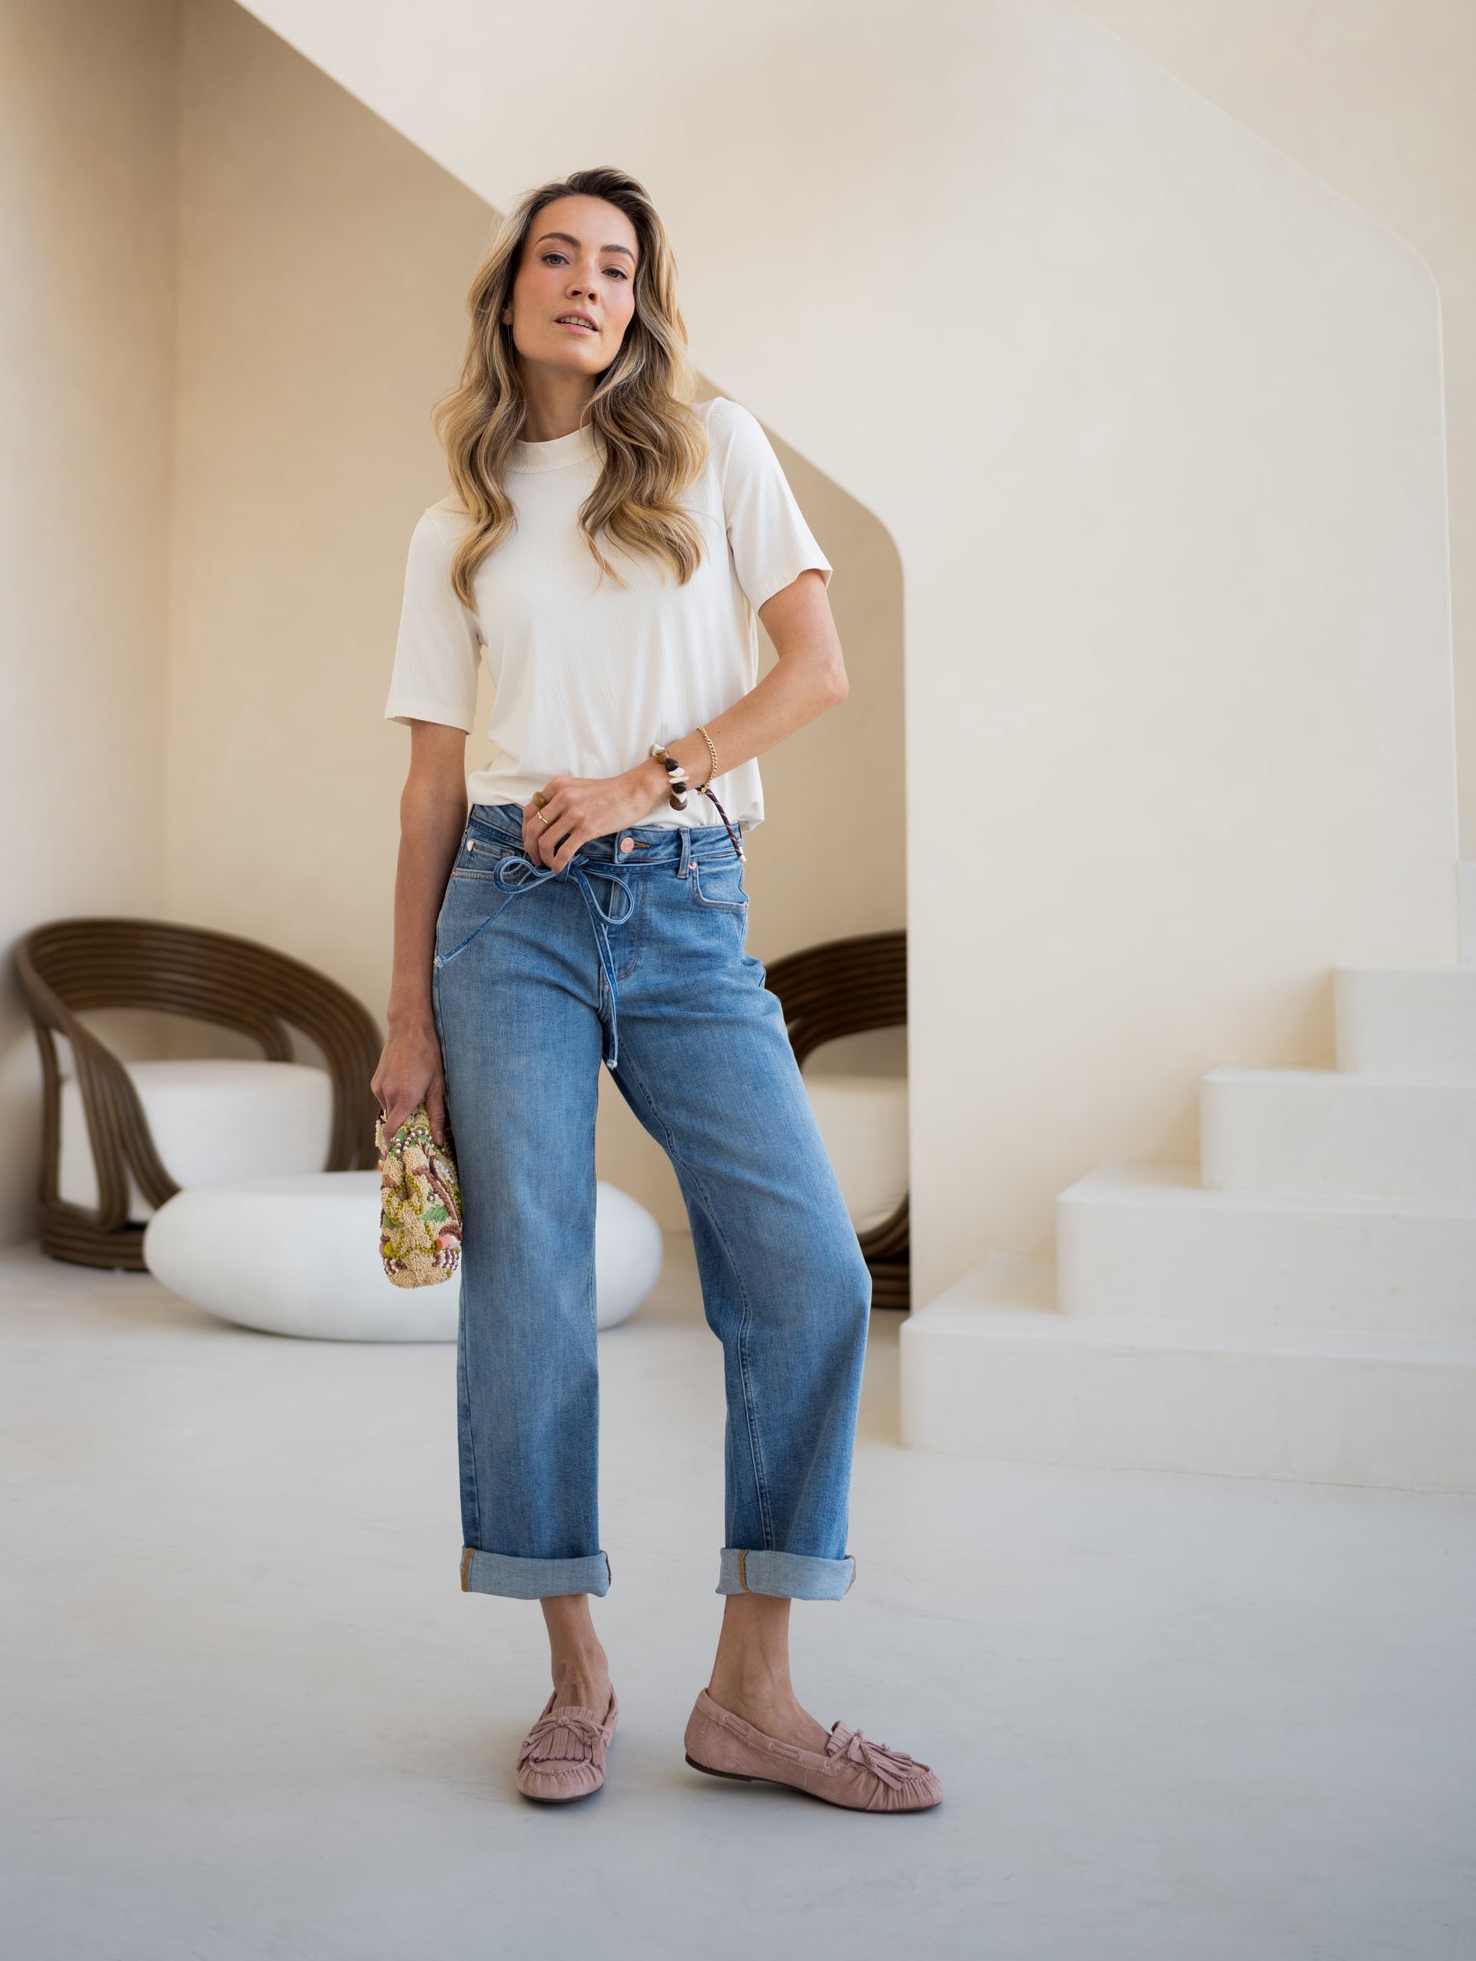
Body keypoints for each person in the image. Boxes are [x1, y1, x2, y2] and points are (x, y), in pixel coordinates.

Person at [372, 165, 941, 1814]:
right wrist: (403, 1017)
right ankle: (574, 1675)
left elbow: (816, 669)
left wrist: (645, 779)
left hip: (685, 900)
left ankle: (754, 1694)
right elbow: (425, 790)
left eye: (617, 264)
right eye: (558, 255)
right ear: (512, 293)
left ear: (642, 301)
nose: (587, 283)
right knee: (533, 1288)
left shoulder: (718, 450)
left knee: (809, 1273)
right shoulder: (453, 526)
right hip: (506, 915)